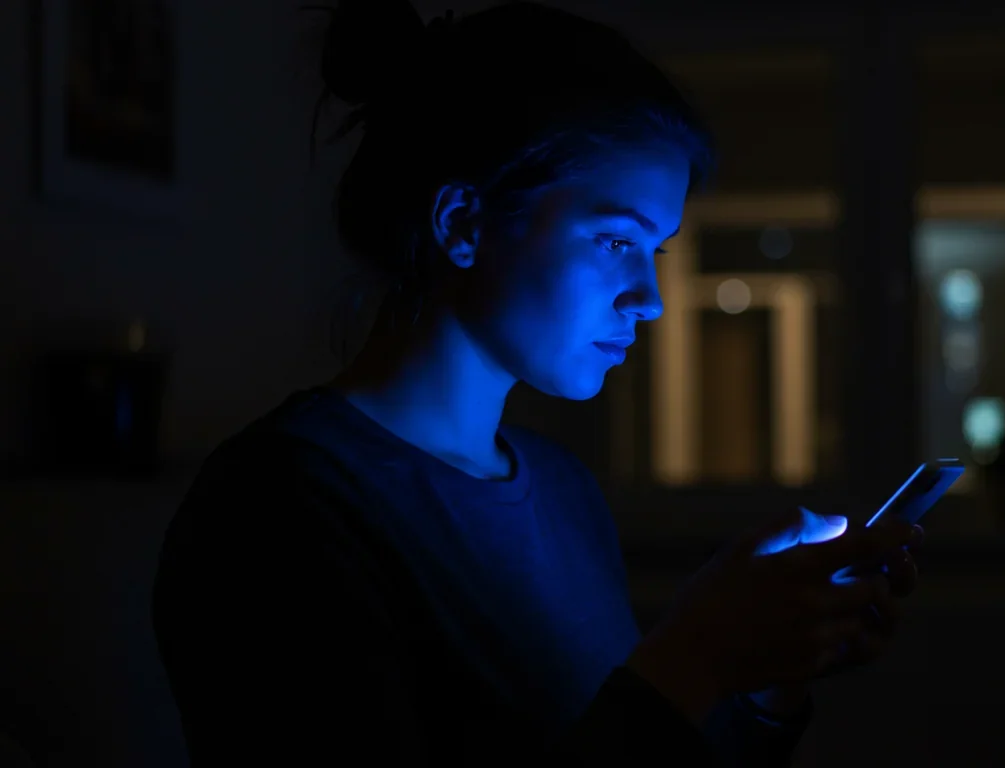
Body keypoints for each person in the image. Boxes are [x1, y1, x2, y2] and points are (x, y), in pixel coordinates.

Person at [151, 2, 923, 765]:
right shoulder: (282, 504)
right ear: (462, 225)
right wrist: (695, 657)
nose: (648, 298)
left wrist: (767, 677)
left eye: (654, 250)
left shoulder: (561, 491)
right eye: (617, 239)